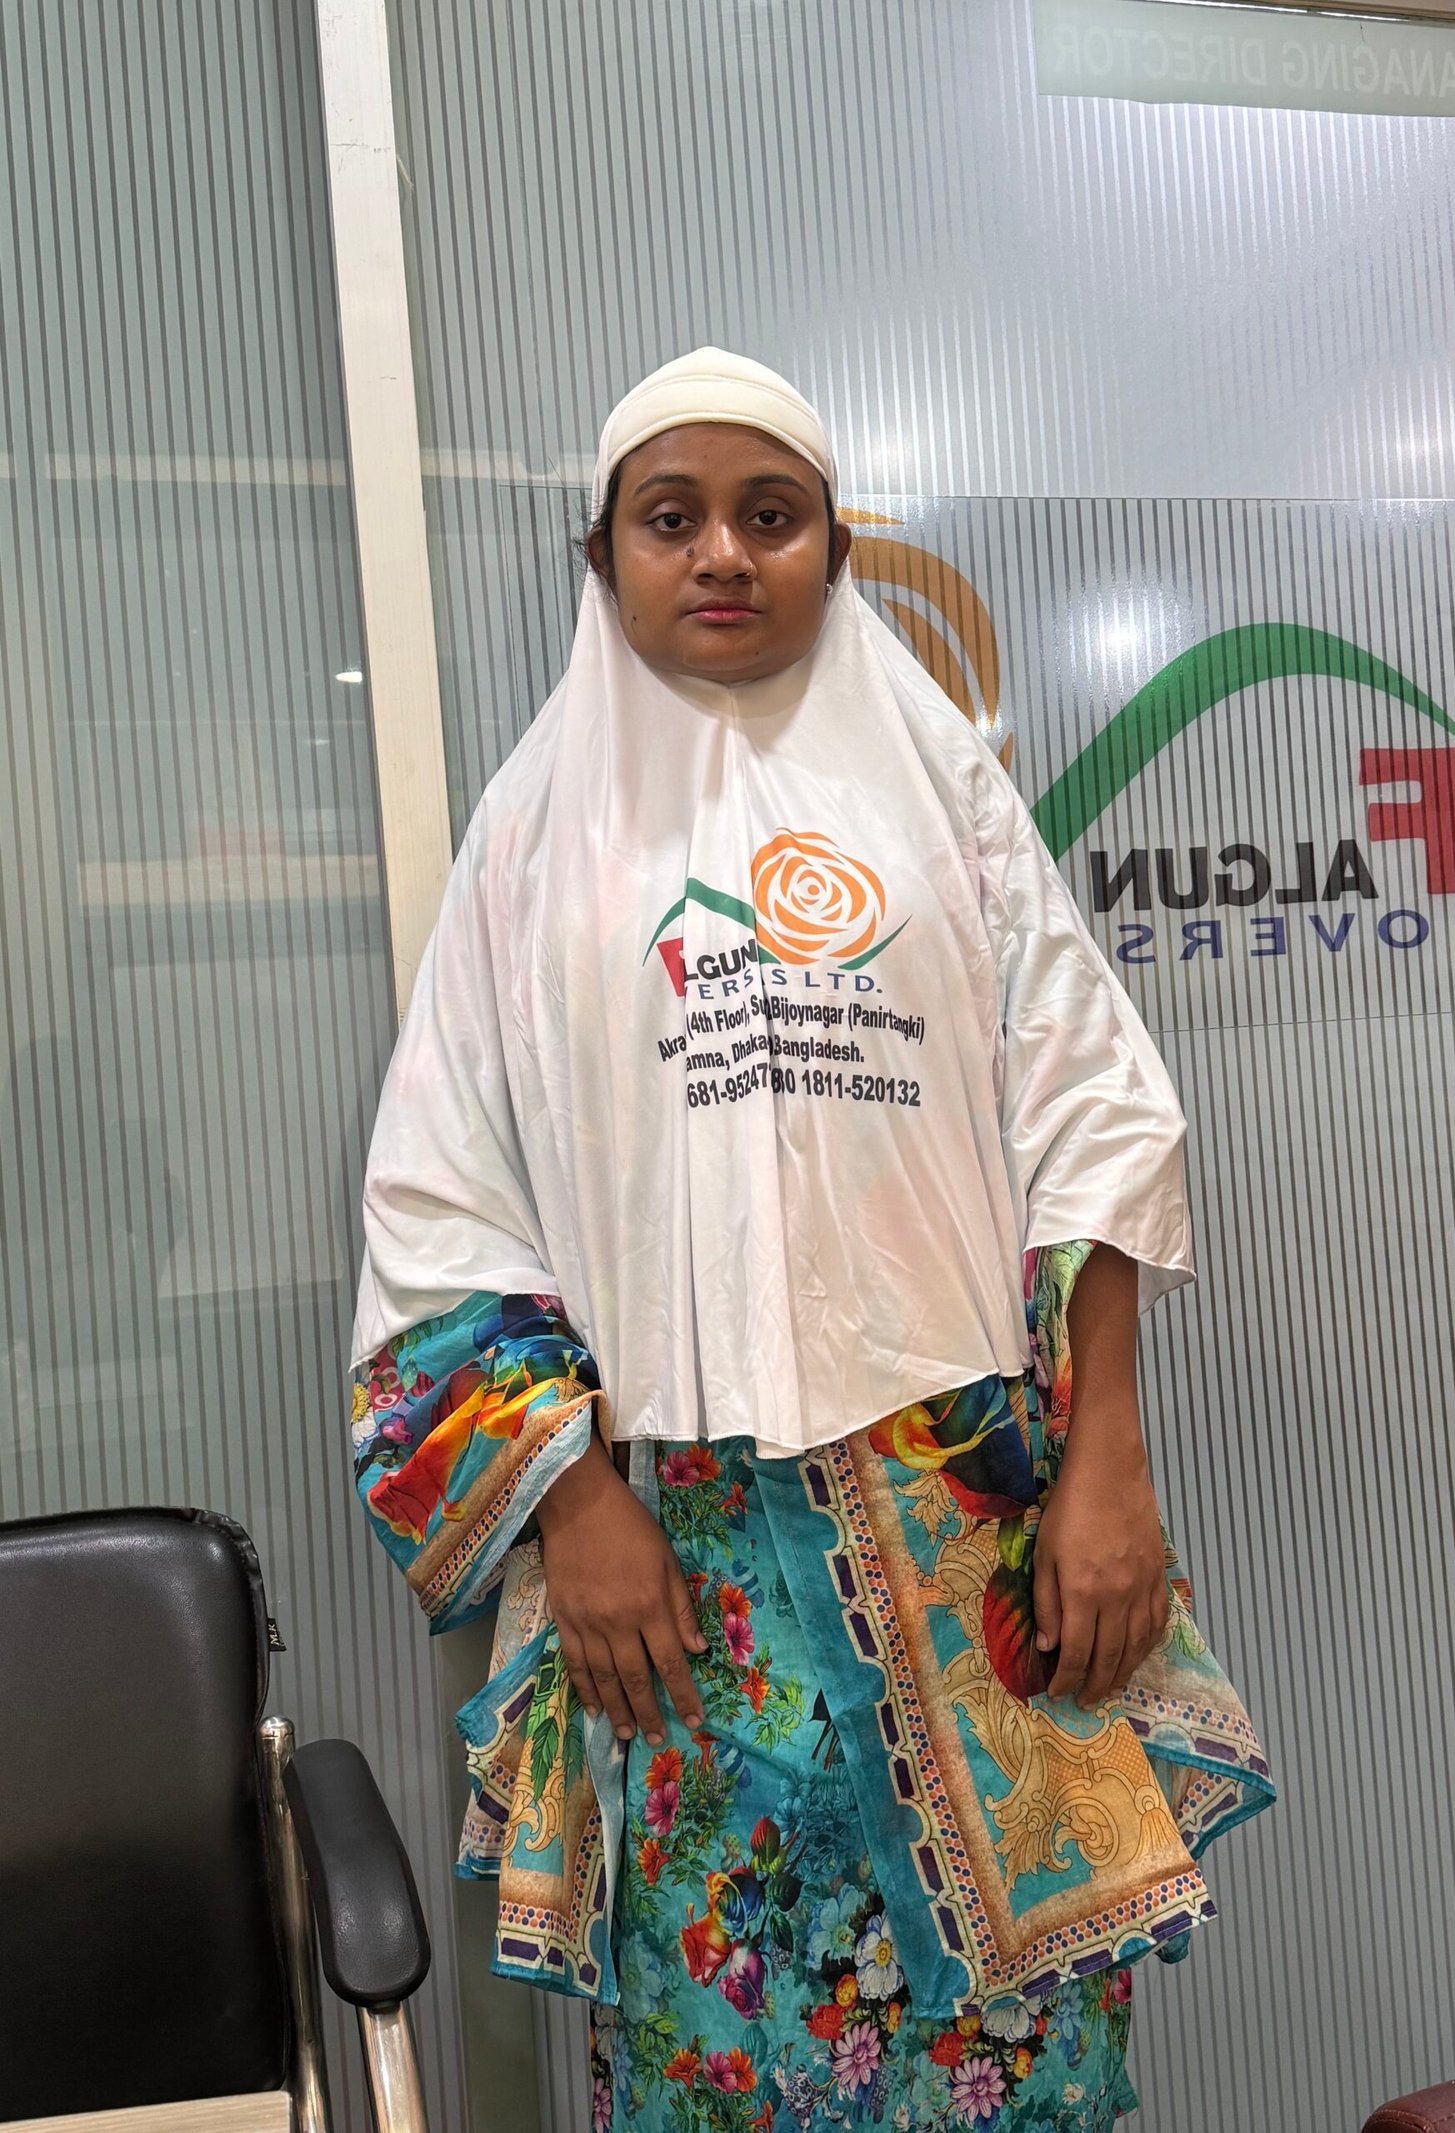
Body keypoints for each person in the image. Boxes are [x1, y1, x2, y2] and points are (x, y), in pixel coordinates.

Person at [348, 349, 1273, 2132]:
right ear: (603, 555)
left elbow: (1093, 1113)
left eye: (770, 516)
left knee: (1023, 2076)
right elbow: (438, 1206)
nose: (722, 553)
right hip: (680, 1594)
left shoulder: (945, 801)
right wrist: (574, 1504)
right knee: (723, 2061)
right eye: (670, 516)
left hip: (979, 1551)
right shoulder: (533, 844)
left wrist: (1110, 1460)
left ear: (835, 551)